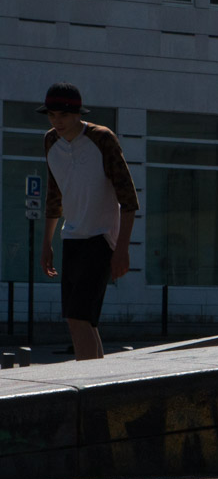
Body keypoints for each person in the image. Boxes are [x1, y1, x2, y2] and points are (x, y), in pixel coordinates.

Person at [39, 83, 139, 360]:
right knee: (81, 321)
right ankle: (98, 383)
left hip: (102, 238)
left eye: (63, 116)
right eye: (52, 116)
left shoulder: (101, 138)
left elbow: (129, 199)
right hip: (71, 237)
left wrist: (122, 249)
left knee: (79, 317)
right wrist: (46, 243)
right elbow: (53, 195)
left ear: (77, 114)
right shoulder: (50, 141)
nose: (57, 122)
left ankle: (86, 390)